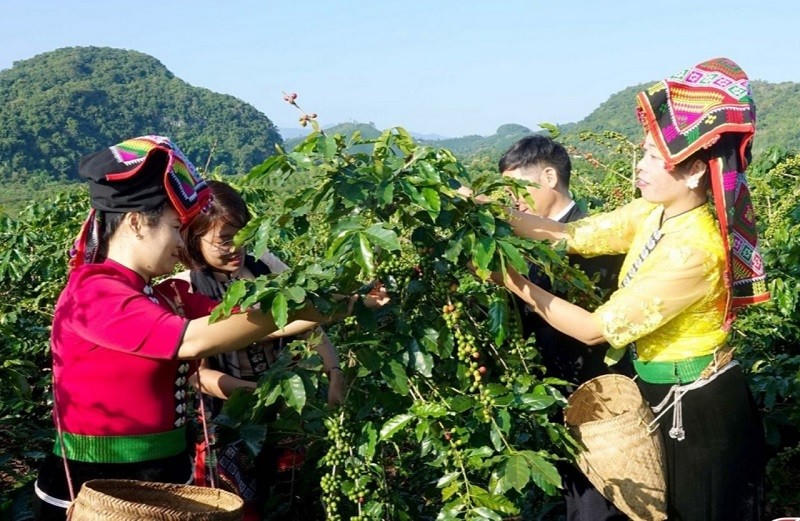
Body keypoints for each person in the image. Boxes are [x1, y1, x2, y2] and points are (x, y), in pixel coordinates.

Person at [33, 136, 387, 521]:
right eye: (173, 227)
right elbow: (195, 339)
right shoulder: (94, 293)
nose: (181, 244)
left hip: (163, 473)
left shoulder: (164, 294)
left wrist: (352, 303)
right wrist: (305, 306)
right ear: (136, 223)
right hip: (99, 487)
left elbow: (249, 320)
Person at [491, 58, 767, 520]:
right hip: (658, 392)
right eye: (643, 153)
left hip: (699, 407)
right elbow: (571, 234)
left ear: (697, 170)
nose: (640, 167)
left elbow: (595, 329)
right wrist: (485, 208)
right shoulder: (653, 212)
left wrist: (512, 280)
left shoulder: (694, 250)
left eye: (655, 159)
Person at [171, 180, 343, 515]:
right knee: (236, 504)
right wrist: (252, 391)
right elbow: (199, 375)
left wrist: (333, 372)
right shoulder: (189, 289)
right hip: (229, 419)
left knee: (289, 495)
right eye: (223, 240)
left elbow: (309, 319)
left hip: (285, 411)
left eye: (241, 235)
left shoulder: (265, 266)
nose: (236, 247)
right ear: (195, 238)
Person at [498, 135, 627, 520]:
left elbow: (592, 327)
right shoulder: (523, 241)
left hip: (599, 398)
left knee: (602, 506)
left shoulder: (593, 238)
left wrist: (510, 279)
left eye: (516, 188)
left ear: (550, 177)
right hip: (558, 400)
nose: (512, 201)